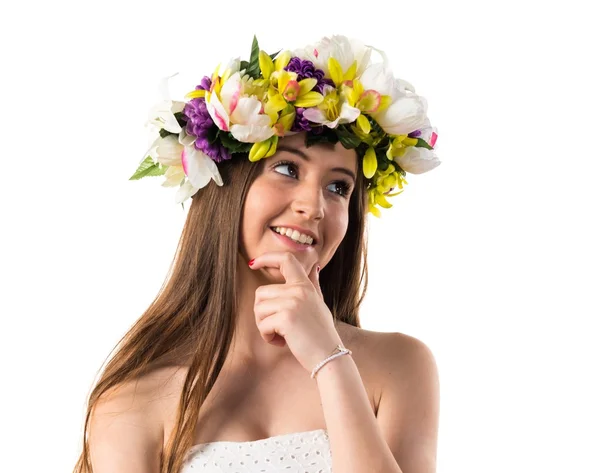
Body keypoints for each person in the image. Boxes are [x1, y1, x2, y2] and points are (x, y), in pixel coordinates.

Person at [73, 35, 441, 473]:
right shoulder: (131, 403)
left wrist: (329, 360)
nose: (314, 205)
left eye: (339, 187)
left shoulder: (399, 366)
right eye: (287, 169)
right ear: (224, 185)